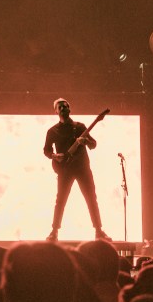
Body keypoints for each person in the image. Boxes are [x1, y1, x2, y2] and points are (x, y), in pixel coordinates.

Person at [43, 98, 109, 241]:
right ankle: (54, 232)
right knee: (61, 200)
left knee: (91, 198)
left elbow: (93, 144)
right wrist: (54, 156)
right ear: (56, 111)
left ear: (69, 109)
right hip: (64, 170)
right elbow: (46, 150)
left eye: (65, 106)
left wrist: (86, 141)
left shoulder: (79, 127)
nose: (63, 108)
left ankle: (99, 231)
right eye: (60, 107)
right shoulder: (52, 131)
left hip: (82, 168)